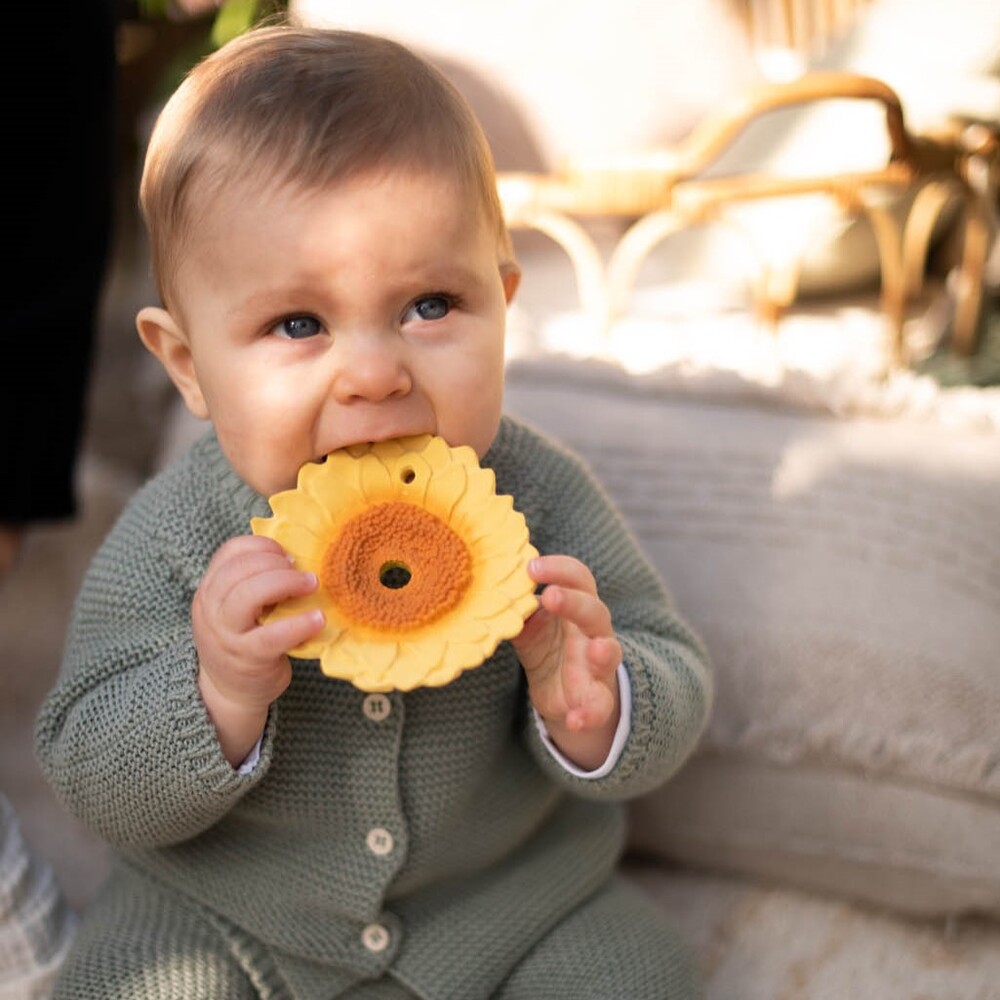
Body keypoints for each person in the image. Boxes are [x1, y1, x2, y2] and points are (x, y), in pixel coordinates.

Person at [34, 23, 712, 1000]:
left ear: (504, 304)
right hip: (228, 912)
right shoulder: (178, 536)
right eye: (297, 323)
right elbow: (89, 770)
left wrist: (599, 706)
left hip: (509, 900)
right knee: (127, 982)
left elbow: (668, 664)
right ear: (189, 365)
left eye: (430, 305)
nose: (375, 373)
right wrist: (215, 693)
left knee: (636, 973)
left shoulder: (538, 497)